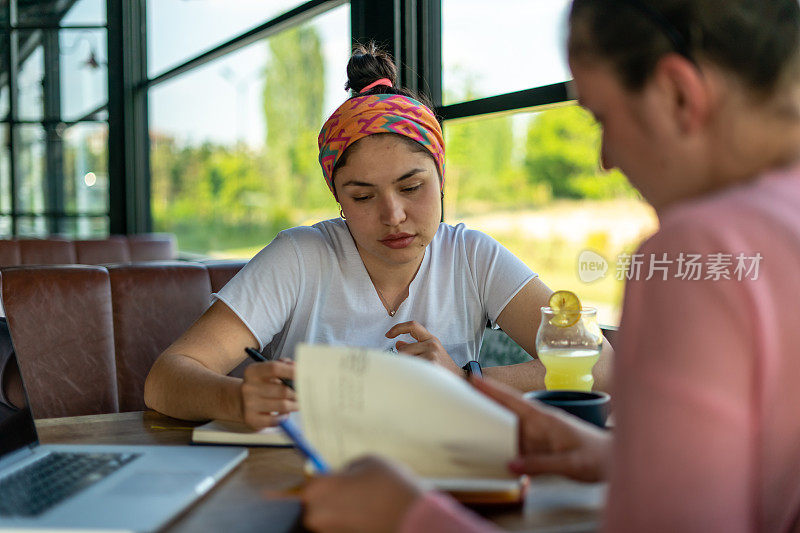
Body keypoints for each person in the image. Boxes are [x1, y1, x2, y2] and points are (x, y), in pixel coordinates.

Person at [299, 1, 800, 532]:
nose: (605, 158)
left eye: (602, 117)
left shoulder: (699, 252)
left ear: (678, 93)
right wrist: (621, 459)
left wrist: (406, 515)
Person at [143, 43, 613, 428]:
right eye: (363, 197)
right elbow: (165, 379)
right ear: (338, 199)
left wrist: (466, 382)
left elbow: (601, 362)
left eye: (412, 187)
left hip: (443, 476)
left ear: (442, 179)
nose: (394, 215)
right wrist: (237, 399)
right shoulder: (301, 257)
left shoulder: (471, 256)